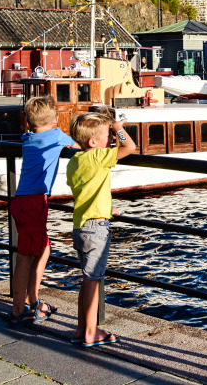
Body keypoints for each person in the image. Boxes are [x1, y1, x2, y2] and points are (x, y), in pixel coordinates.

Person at [66, 111, 136, 347]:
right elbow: (130, 147)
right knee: (94, 281)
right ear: (93, 142)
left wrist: (106, 207)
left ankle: (81, 329)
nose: (112, 139)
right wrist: (118, 127)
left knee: (87, 280)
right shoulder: (98, 156)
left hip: (81, 225)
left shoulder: (75, 160)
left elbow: (88, 189)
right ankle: (90, 332)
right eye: (108, 135)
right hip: (96, 229)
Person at [8, 95, 77, 326]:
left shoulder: (27, 138)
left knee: (42, 248)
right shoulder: (56, 135)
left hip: (21, 201)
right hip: (35, 202)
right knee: (25, 257)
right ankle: (19, 309)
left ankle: (32, 300)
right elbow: (79, 146)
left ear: (28, 122)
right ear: (56, 119)